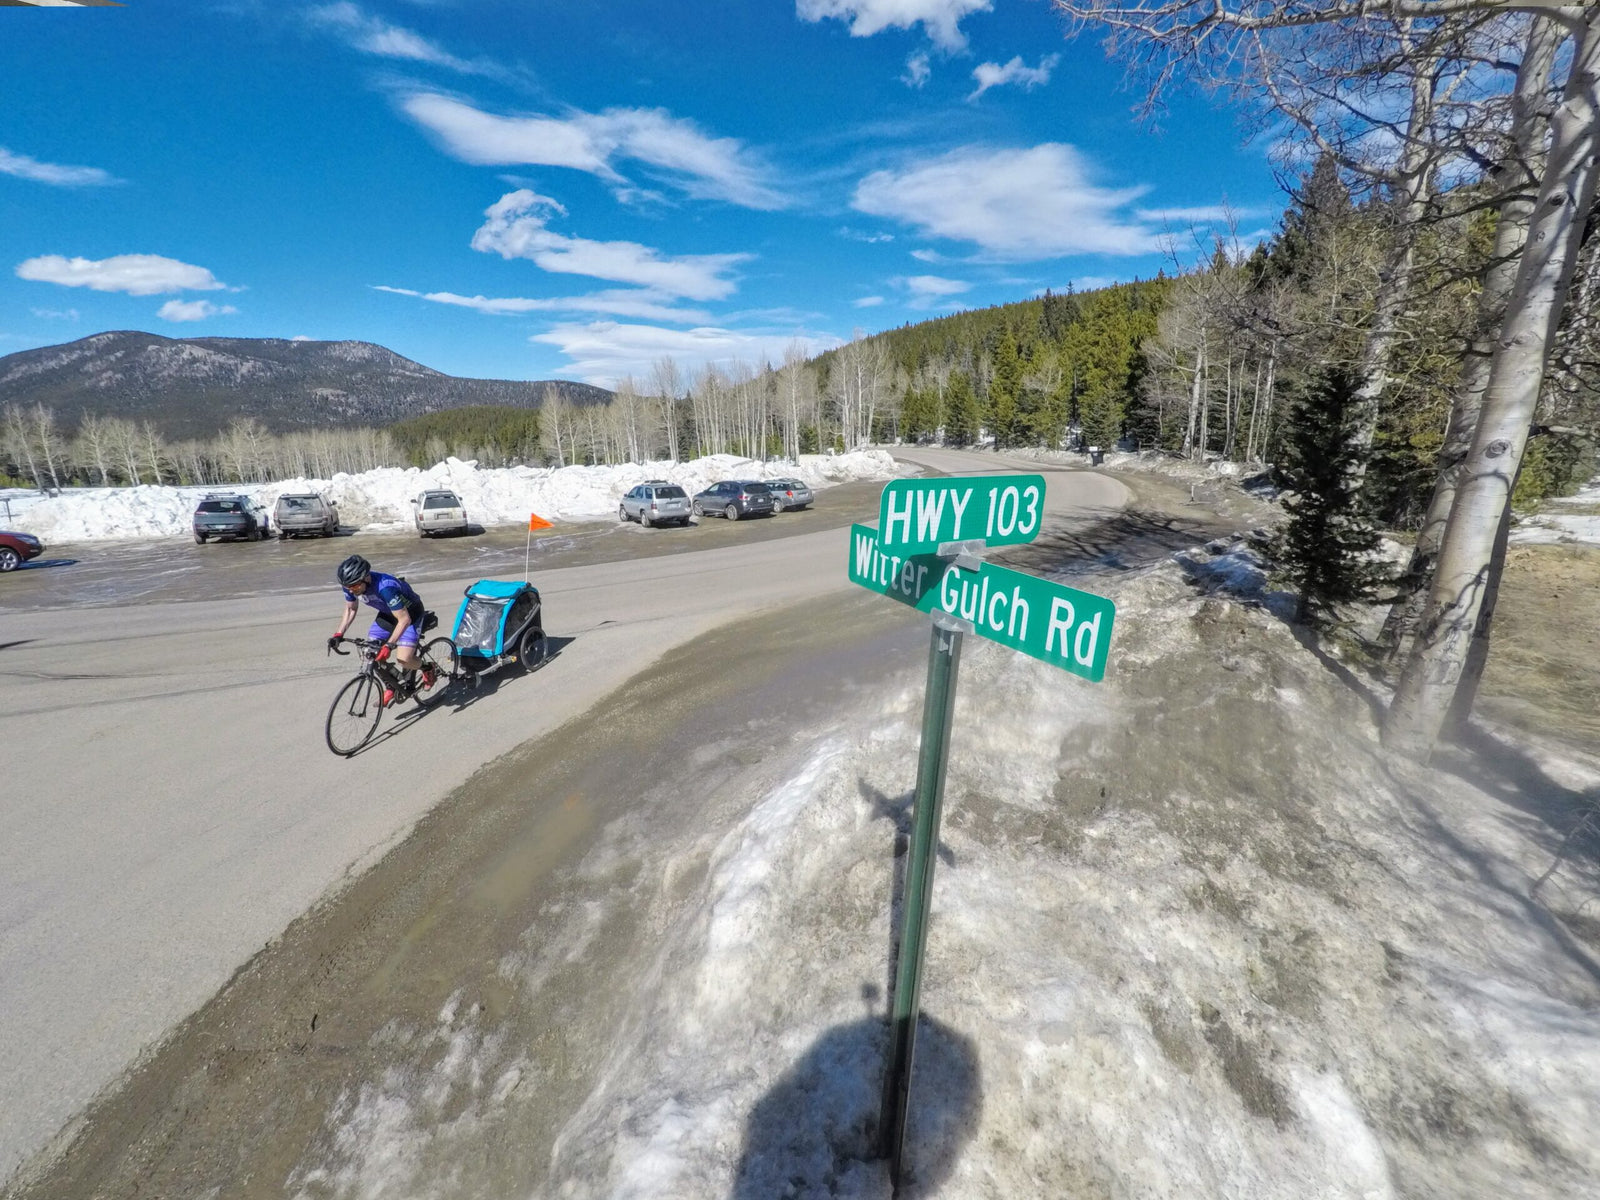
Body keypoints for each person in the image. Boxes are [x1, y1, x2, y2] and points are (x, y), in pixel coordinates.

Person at [329, 554, 435, 704]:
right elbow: (351, 609)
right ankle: (391, 685)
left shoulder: (386, 588)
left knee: (404, 659)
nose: (350, 591)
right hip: (388, 614)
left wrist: (389, 645)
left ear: (365, 578)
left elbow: (404, 620)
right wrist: (339, 633)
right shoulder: (351, 585)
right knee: (369, 654)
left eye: (354, 587)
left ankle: (428, 668)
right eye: (347, 587)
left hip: (410, 614)